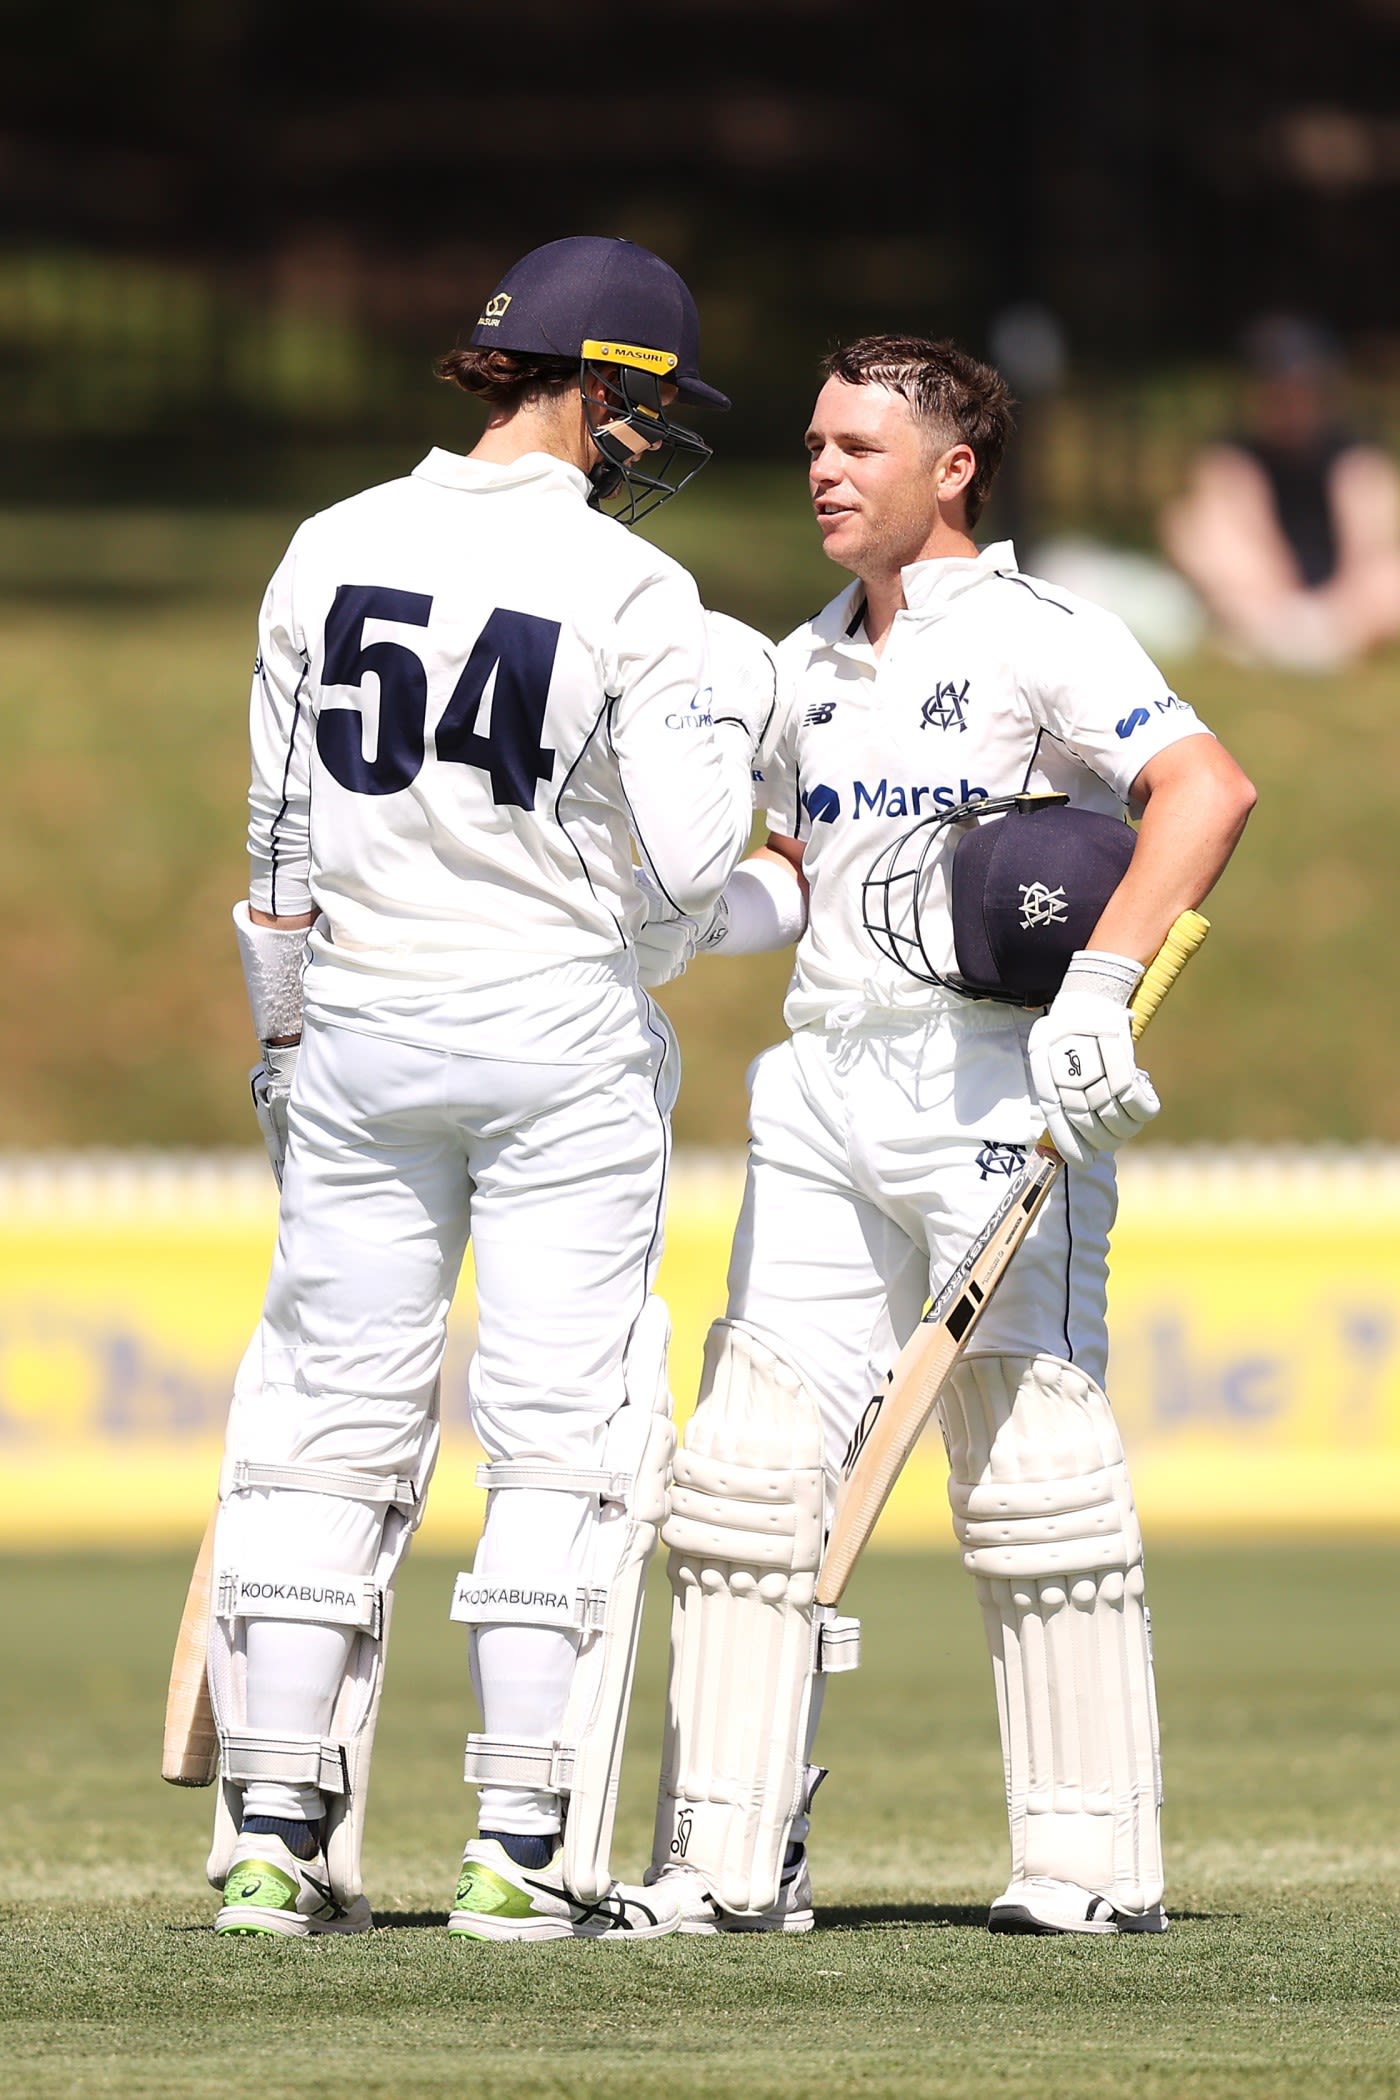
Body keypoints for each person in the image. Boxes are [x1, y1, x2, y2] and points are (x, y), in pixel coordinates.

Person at [635, 334, 1256, 1935]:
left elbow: (1203, 791)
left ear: (953, 467)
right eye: (815, 443)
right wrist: (693, 922)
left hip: (999, 1080)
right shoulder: (800, 657)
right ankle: (723, 1853)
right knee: (748, 1473)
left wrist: (1100, 993)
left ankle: (1090, 1865)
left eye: (859, 445)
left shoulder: (1046, 632)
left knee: (1030, 1466)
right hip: (823, 1083)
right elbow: (799, 863)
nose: (825, 468)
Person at [203, 235, 774, 1941]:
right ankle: (517, 1851)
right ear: (599, 391)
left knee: (324, 1424)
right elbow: (681, 875)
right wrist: (768, 836)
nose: (645, 449)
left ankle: (272, 1839)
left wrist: (286, 1042)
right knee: (562, 1432)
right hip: (552, 1042)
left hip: (354, 1033)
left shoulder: (331, 544)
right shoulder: (634, 594)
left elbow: (275, 846)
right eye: (642, 414)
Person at [1160, 312, 1400, 672]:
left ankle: (1319, 639)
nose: (1290, 405)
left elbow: (1370, 547)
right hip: (1267, 595)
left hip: (1345, 598)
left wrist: (1342, 606)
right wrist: (1277, 598)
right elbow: (1230, 540)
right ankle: (1286, 636)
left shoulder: (1354, 461)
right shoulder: (1235, 460)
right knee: (1191, 527)